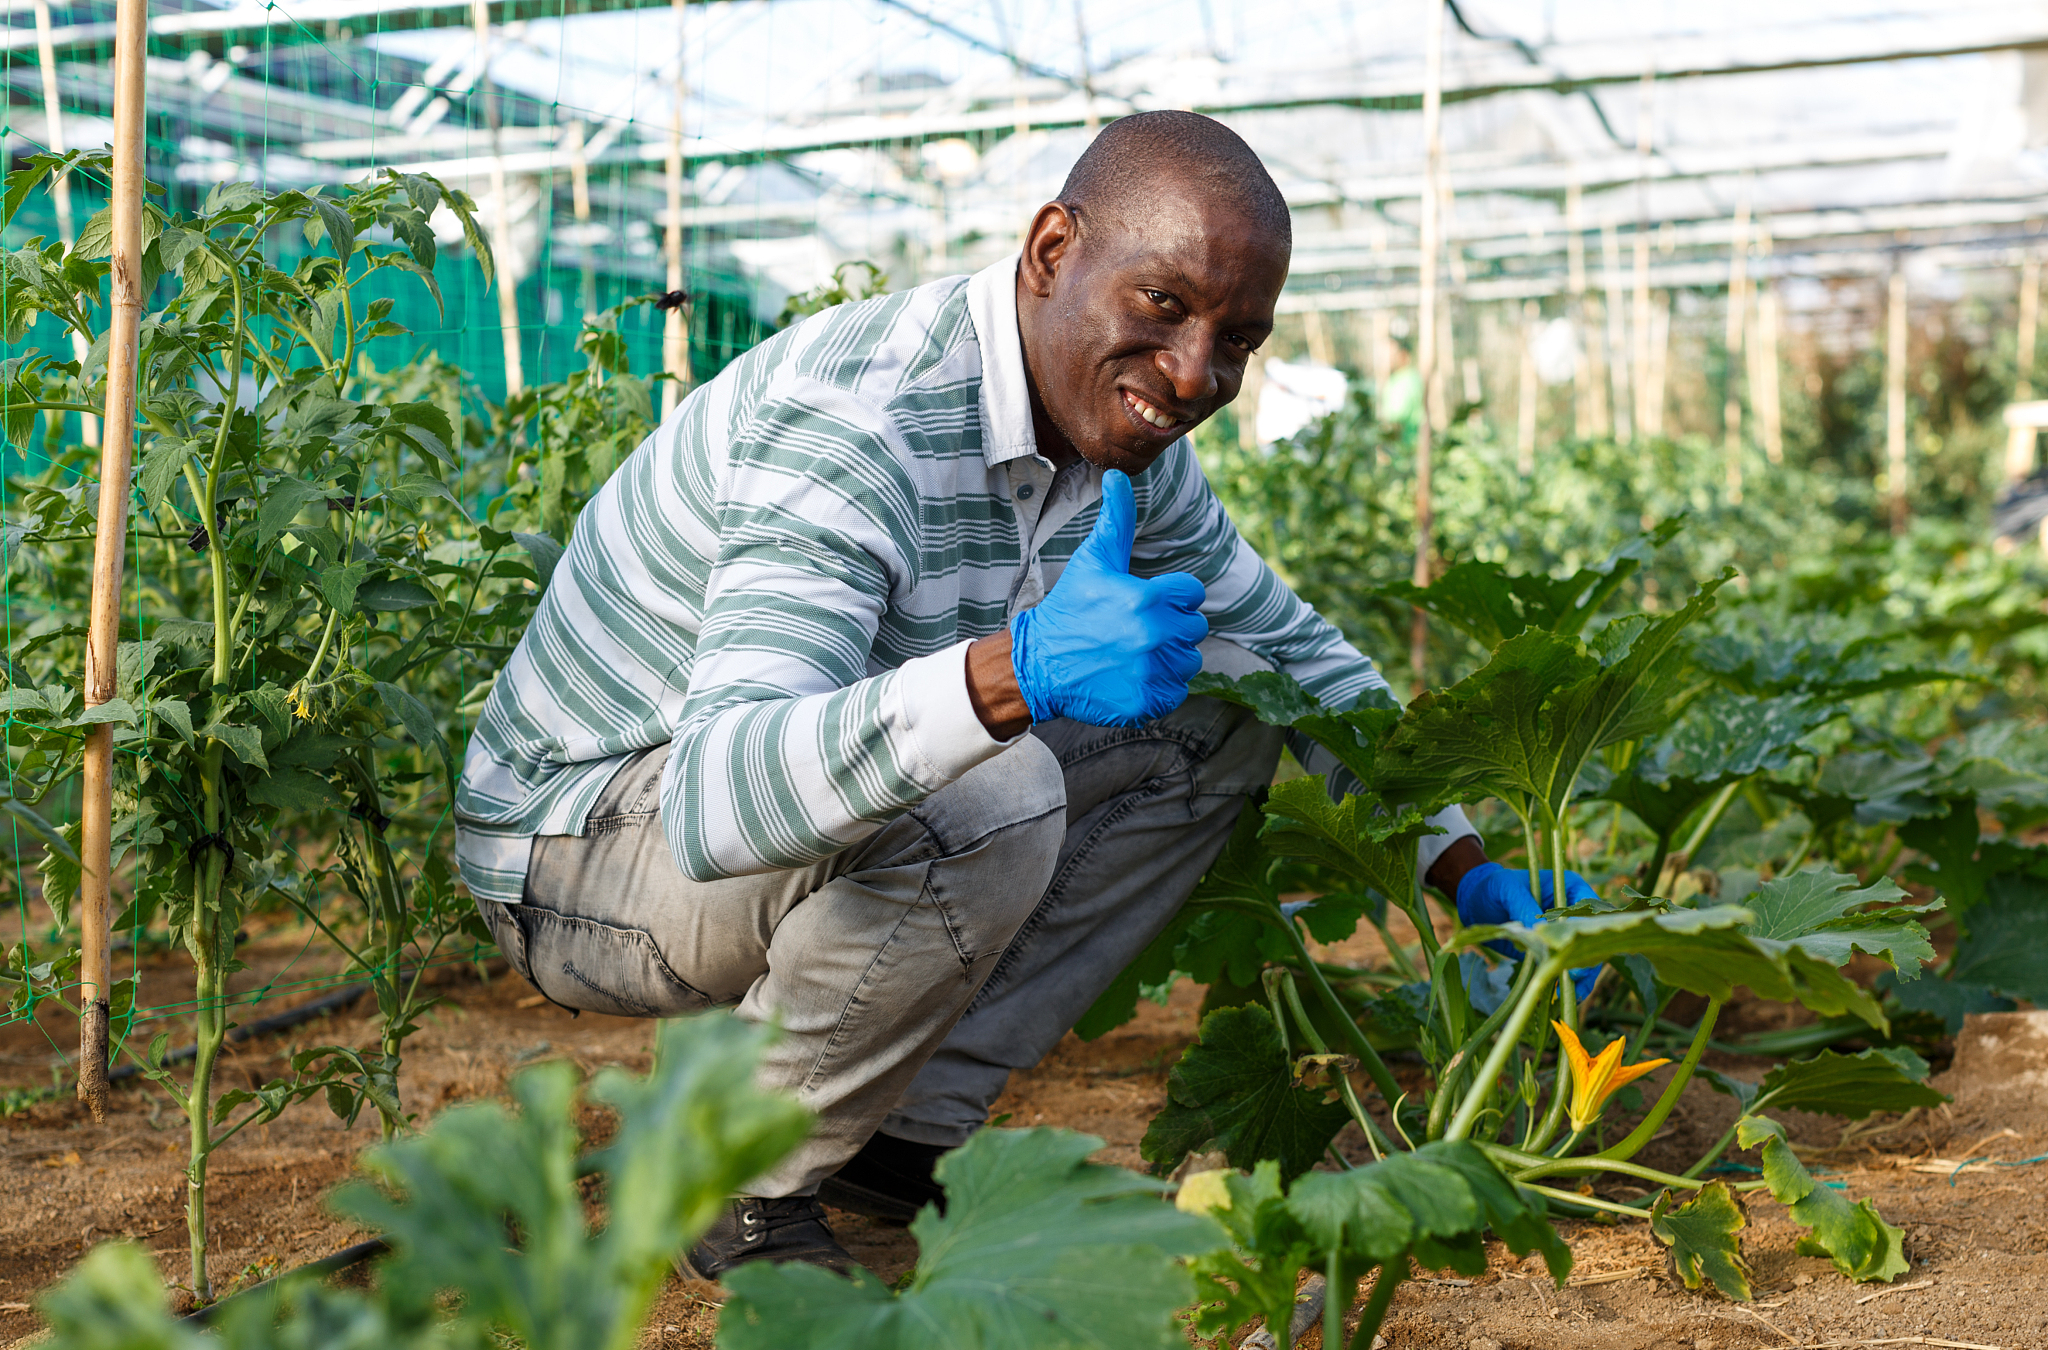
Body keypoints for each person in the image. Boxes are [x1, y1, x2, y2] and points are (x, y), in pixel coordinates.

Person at [453, 111, 1589, 1279]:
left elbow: (1296, 660)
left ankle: (893, 1138)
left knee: (1231, 723)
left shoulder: (1123, 451)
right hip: (579, 854)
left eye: (1236, 339)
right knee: (989, 783)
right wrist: (1016, 671)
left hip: (744, 835)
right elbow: (717, 803)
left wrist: (1462, 870)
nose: (1197, 373)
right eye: (1163, 305)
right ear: (1051, 251)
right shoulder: (859, 423)